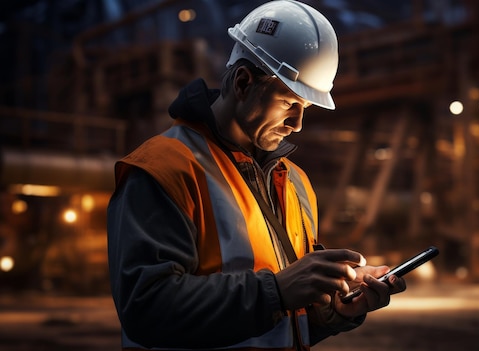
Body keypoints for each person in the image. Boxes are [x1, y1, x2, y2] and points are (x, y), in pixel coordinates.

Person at [107, 1, 406, 350]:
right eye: (289, 103)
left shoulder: (294, 183)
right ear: (244, 82)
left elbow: (288, 319)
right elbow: (146, 308)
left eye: (305, 108)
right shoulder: (163, 169)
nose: (297, 124)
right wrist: (275, 291)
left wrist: (336, 309)